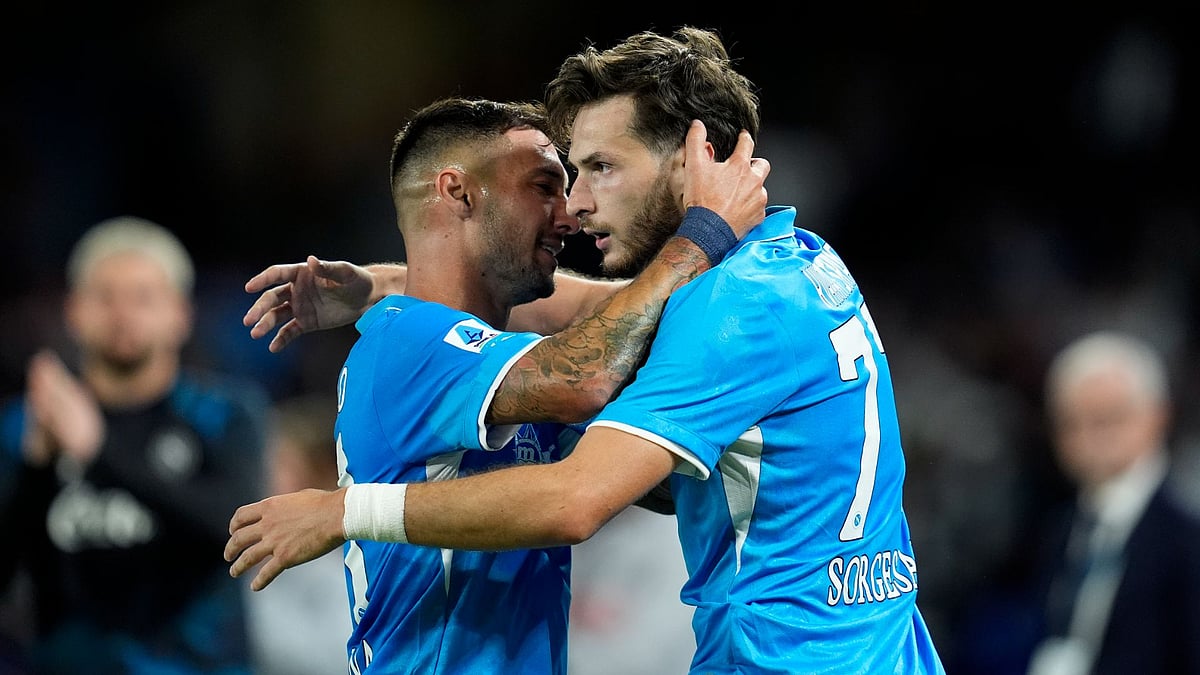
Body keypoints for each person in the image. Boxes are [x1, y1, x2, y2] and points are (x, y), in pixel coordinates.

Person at [226, 27, 945, 673]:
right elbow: (609, 321)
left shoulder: (727, 309)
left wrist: (347, 510)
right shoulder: (799, 266)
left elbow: (577, 490)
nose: (576, 206)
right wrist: (384, 284)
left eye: (600, 166)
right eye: (562, 178)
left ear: (693, 158)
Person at [237, 95, 767, 675]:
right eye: (543, 187)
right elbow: (587, 375)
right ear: (458, 192)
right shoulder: (409, 343)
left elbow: (622, 355)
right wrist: (702, 234)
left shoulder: (496, 367)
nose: (568, 216)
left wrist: (384, 280)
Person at [0, 216, 267, 674]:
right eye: (105, 297)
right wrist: (37, 469)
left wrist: (99, 452)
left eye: (143, 297)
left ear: (180, 315)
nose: (123, 314)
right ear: (73, 312)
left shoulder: (224, 416)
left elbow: (239, 532)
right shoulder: (24, 426)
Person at [1023, 331, 1200, 675]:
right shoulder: (1060, 527)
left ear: (1158, 416)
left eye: (1110, 418)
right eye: (1072, 423)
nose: (1090, 438)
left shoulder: (1186, 539)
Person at [243, 393, 348, 675]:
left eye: (278, 465)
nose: (259, 475)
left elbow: (337, 659)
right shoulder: (240, 547)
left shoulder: (338, 569)